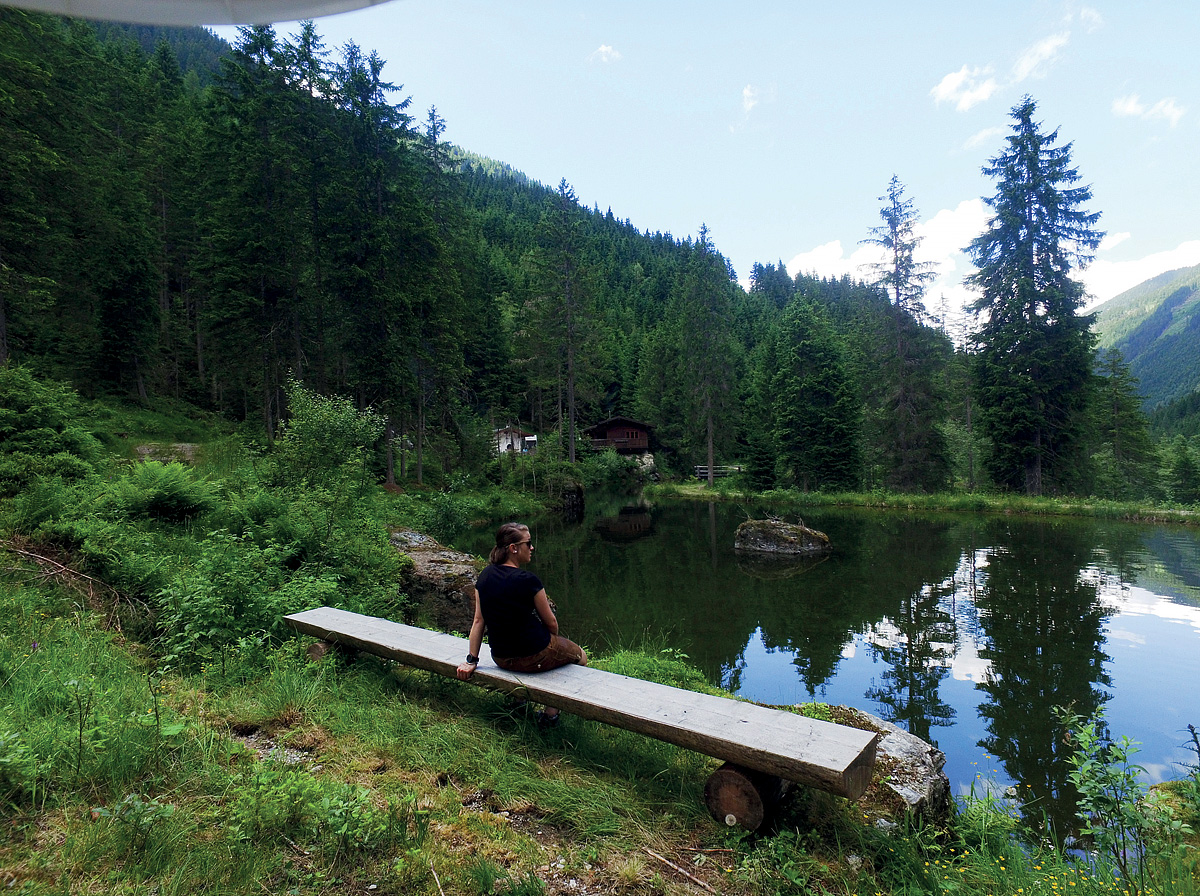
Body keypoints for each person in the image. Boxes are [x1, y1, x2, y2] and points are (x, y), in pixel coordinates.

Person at [456, 522, 587, 725]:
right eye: (528, 543)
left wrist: (472, 660)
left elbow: (478, 620)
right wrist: (552, 642)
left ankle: (519, 703)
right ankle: (550, 715)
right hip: (534, 656)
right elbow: (551, 622)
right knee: (580, 656)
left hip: (501, 657)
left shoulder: (485, 576)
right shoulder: (528, 580)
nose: (532, 548)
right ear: (513, 548)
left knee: (547, 655)